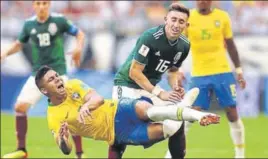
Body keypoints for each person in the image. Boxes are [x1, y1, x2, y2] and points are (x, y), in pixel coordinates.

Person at [35, 65, 220, 158]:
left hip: (118, 109)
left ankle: (191, 113)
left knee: (147, 110)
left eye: (56, 75)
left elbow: (97, 98)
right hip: (117, 134)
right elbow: (66, 150)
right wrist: (63, 140)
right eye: (51, 80)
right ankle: (183, 108)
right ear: (45, 90)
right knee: (167, 130)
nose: (58, 79)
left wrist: (86, 106)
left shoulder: (72, 85)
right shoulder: (53, 117)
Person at [1, 1, 86, 158]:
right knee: (20, 107)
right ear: (34, 5)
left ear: (49, 4)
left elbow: (79, 33)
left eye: (45, 3)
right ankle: (21, 150)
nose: (42, 6)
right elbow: (19, 44)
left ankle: (80, 153)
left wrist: (78, 48)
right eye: (38, 3)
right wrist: (5, 53)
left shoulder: (59, 21)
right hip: (37, 76)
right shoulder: (29, 24)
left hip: (57, 74)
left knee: (72, 112)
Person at [112, 3, 190, 158]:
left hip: (148, 88)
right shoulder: (150, 37)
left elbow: (173, 71)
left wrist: (175, 86)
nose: (176, 24)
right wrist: (160, 93)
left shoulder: (184, 46)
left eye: (181, 22)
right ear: (165, 19)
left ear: (186, 25)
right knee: (118, 132)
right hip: (126, 84)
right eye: (173, 19)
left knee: (178, 120)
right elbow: (134, 72)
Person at [178, 1, 247, 158]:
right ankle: (173, 153)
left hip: (222, 71)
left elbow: (230, 45)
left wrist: (238, 70)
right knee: (190, 115)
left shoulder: (222, 17)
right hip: (199, 74)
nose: (202, 1)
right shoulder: (188, 18)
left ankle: (240, 154)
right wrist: (179, 69)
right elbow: (181, 46)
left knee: (231, 112)